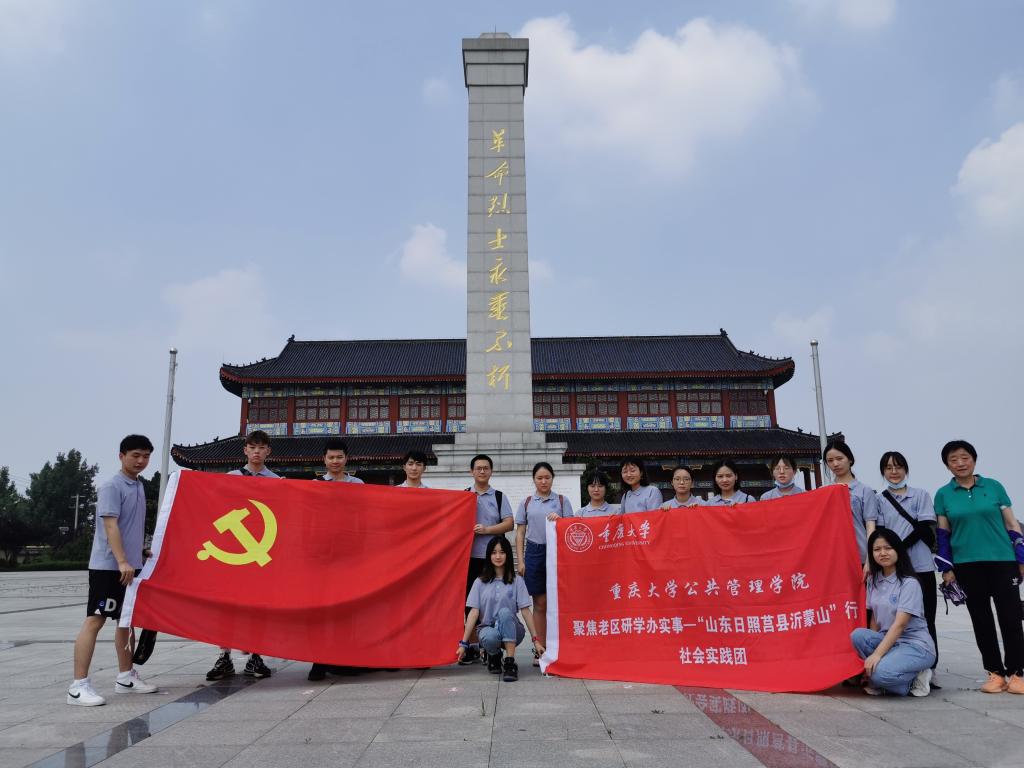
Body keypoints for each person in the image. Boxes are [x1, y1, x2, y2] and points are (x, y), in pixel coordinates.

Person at [67, 435, 158, 706]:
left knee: (126, 620)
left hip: (130, 565)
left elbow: (129, 526)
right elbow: (110, 526)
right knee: (95, 620)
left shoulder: (139, 486)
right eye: (135, 455)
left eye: (145, 456)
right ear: (121, 456)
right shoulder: (111, 486)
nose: (141, 461)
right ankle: (78, 686)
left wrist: (139, 551)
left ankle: (126, 677)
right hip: (109, 566)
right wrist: (121, 561)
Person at [934, 440, 1024, 694]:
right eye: (953, 459)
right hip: (967, 565)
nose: (960, 463)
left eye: (965, 457)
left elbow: (1012, 524)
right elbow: (943, 534)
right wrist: (946, 568)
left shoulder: (994, 487)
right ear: (947, 465)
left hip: (1003, 561)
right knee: (981, 619)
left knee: (1011, 618)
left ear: (974, 460)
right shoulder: (943, 494)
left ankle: (1017, 673)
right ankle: (995, 673)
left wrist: (1021, 558)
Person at [206, 430, 279, 682]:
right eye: (252, 447)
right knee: (227, 607)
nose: (257, 452)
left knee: (258, 606)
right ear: (245, 450)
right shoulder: (231, 479)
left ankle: (256, 656)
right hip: (234, 552)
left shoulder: (277, 482)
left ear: (268, 451)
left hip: (262, 550)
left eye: (261, 447)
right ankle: (224, 656)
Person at [875, 451, 939, 688]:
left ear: (906, 469)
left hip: (921, 565)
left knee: (927, 617)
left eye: (898, 467)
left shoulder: (920, 495)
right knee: (894, 619)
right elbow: (881, 532)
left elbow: (923, 528)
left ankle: (930, 668)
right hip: (893, 569)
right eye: (889, 468)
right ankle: (900, 662)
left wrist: (899, 548)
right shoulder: (879, 500)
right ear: (883, 472)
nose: (894, 472)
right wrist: (893, 553)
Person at [851, 528, 937, 696]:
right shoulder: (873, 580)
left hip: (915, 646)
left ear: (898, 550)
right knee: (858, 635)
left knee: (879, 674)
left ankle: (916, 678)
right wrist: (874, 652)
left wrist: (876, 655)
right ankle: (888, 673)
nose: (883, 553)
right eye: (877, 549)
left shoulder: (909, 583)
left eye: (888, 548)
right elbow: (874, 619)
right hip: (889, 642)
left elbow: (900, 624)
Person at [307, 437, 364, 681]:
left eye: (339, 457)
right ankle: (319, 660)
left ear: (346, 459)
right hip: (323, 556)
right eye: (331, 457)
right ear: (324, 459)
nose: (335, 461)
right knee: (321, 609)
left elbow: (364, 517)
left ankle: (344, 658)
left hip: (350, 556)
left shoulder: (358, 485)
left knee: (347, 609)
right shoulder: (315, 485)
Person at [457, 536, 543, 682]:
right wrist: (464, 644)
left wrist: (536, 641)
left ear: (508, 554)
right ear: (488, 555)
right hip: (487, 629)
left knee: (504, 612)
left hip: (513, 629)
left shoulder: (517, 581)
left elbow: (526, 612)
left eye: (502, 552)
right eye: (494, 552)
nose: (498, 556)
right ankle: (494, 655)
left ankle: (510, 662)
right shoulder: (479, 582)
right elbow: (473, 613)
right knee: (490, 636)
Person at [515, 462, 573, 665]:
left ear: (552, 478)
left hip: (557, 552)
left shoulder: (562, 501)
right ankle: (541, 648)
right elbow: (520, 533)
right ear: (534, 480)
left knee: (557, 602)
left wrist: (561, 520)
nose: (543, 481)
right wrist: (521, 560)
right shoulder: (527, 502)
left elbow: (571, 529)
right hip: (534, 552)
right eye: (539, 478)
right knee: (539, 603)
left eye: (547, 477)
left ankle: (561, 647)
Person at [458, 454, 514, 666]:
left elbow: (509, 523)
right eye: (478, 468)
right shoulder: (463, 496)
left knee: (493, 601)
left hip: (494, 558)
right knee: (470, 602)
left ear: (491, 471)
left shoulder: (499, 497)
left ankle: (489, 647)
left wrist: (487, 530)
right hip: (469, 557)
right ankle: (473, 646)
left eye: (486, 468)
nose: (482, 471)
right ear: (471, 471)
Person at [822, 440, 878, 573]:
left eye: (839, 458)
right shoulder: (822, 492)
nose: (835, 464)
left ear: (850, 459)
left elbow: (870, 527)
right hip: (833, 557)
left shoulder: (865, 491)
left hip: (860, 555)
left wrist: (870, 559)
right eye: (830, 461)